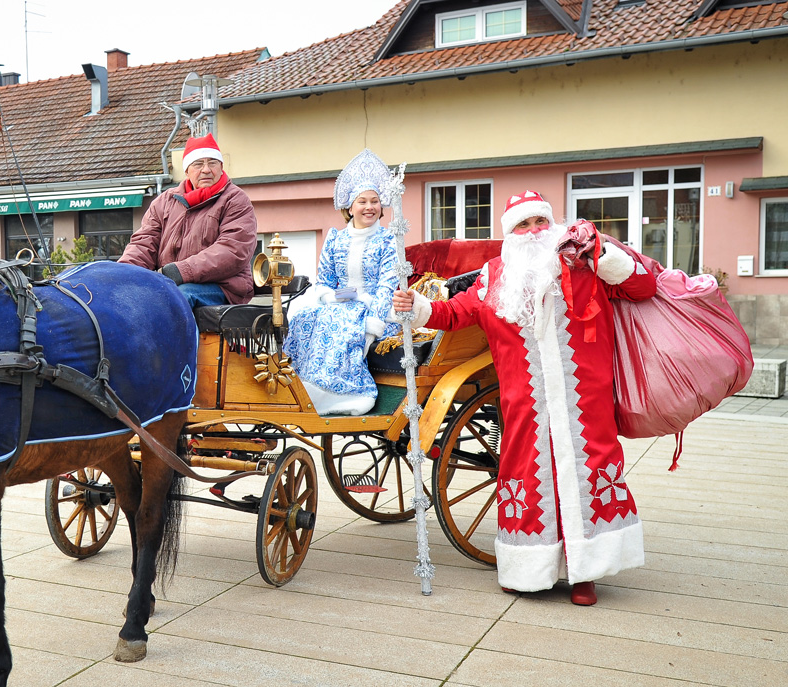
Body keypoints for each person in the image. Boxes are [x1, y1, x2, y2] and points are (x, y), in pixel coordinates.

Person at [392, 191, 657, 605]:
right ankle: (528, 568)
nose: (533, 231)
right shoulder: (494, 275)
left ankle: (586, 573)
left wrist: (604, 255)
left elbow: (643, 286)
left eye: (539, 222)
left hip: (584, 397)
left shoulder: (582, 259)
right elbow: (456, 313)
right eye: (523, 224)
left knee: (589, 470)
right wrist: (418, 304)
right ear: (509, 234)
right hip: (525, 400)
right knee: (527, 473)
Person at [282, 149, 403, 415]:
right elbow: (324, 280)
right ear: (350, 207)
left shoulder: (388, 241)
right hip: (338, 303)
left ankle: (341, 394)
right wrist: (331, 297)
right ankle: (302, 386)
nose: (369, 207)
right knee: (304, 316)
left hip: (374, 308)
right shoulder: (335, 238)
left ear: (381, 207)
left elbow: (386, 287)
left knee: (337, 322)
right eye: (362, 201)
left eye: (374, 201)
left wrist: (372, 325)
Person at [118, 133, 257, 307]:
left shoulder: (235, 199)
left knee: (178, 298)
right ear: (187, 171)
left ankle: (177, 336)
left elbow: (233, 251)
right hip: (170, 283)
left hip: (223, 286)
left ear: (221, 167)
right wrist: (122, 273)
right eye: (198, 164)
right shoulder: (164, 202)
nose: (206, 170)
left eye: (212, 163)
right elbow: (143, 245)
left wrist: (180, 271)